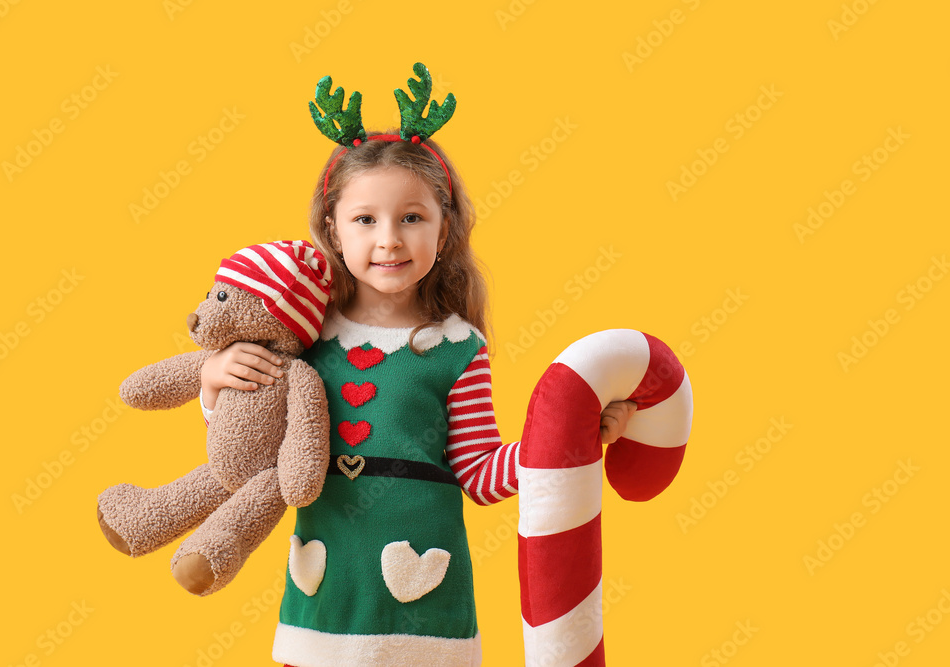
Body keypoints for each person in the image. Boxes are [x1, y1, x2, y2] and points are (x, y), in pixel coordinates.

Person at [198, 65, 636, 666]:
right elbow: (248, 452)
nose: (389, 239)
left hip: (426, 611)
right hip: (325, 601)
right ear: (332, 229)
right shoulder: (303, 337)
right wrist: (214, 385)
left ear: (444, 226)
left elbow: (480, 473)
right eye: (365, 219)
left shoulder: (458, 348)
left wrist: (569, 435)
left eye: (411, 217)